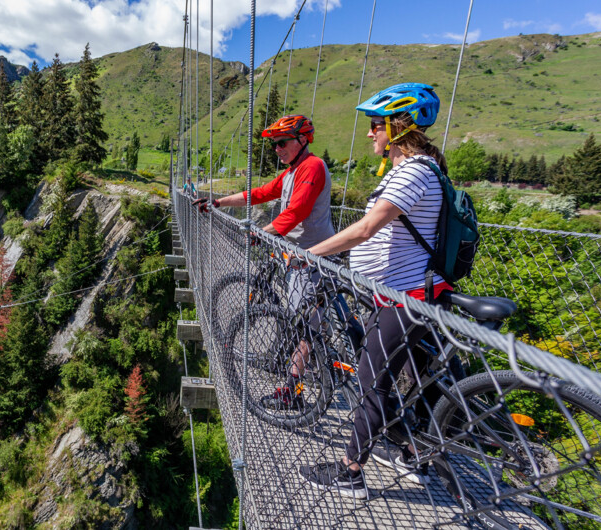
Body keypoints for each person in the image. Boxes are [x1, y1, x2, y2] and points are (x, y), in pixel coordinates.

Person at [296, 83, 452, 499]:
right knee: (412, 379)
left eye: (375, 125)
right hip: (407, 295)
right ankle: (414, 452)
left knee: (372, 380)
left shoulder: (415, 171)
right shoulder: (421, 169)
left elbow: (367, 229)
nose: (369, 133)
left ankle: (350, 474)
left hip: (406, 299)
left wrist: (310, 253)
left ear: (399, 127)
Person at [193, 114, 335, 410]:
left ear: (302, 140)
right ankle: (297, 367)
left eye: (282, 143)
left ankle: (292, 392)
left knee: (305, 329)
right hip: (296, 258)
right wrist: (217, 202)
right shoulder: (291, 172)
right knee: (302, 323)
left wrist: (264, 232)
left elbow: (296, 211)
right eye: (274, 144)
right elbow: (258, 194)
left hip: (312, 261)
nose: (276, 149)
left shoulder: (312, 167)